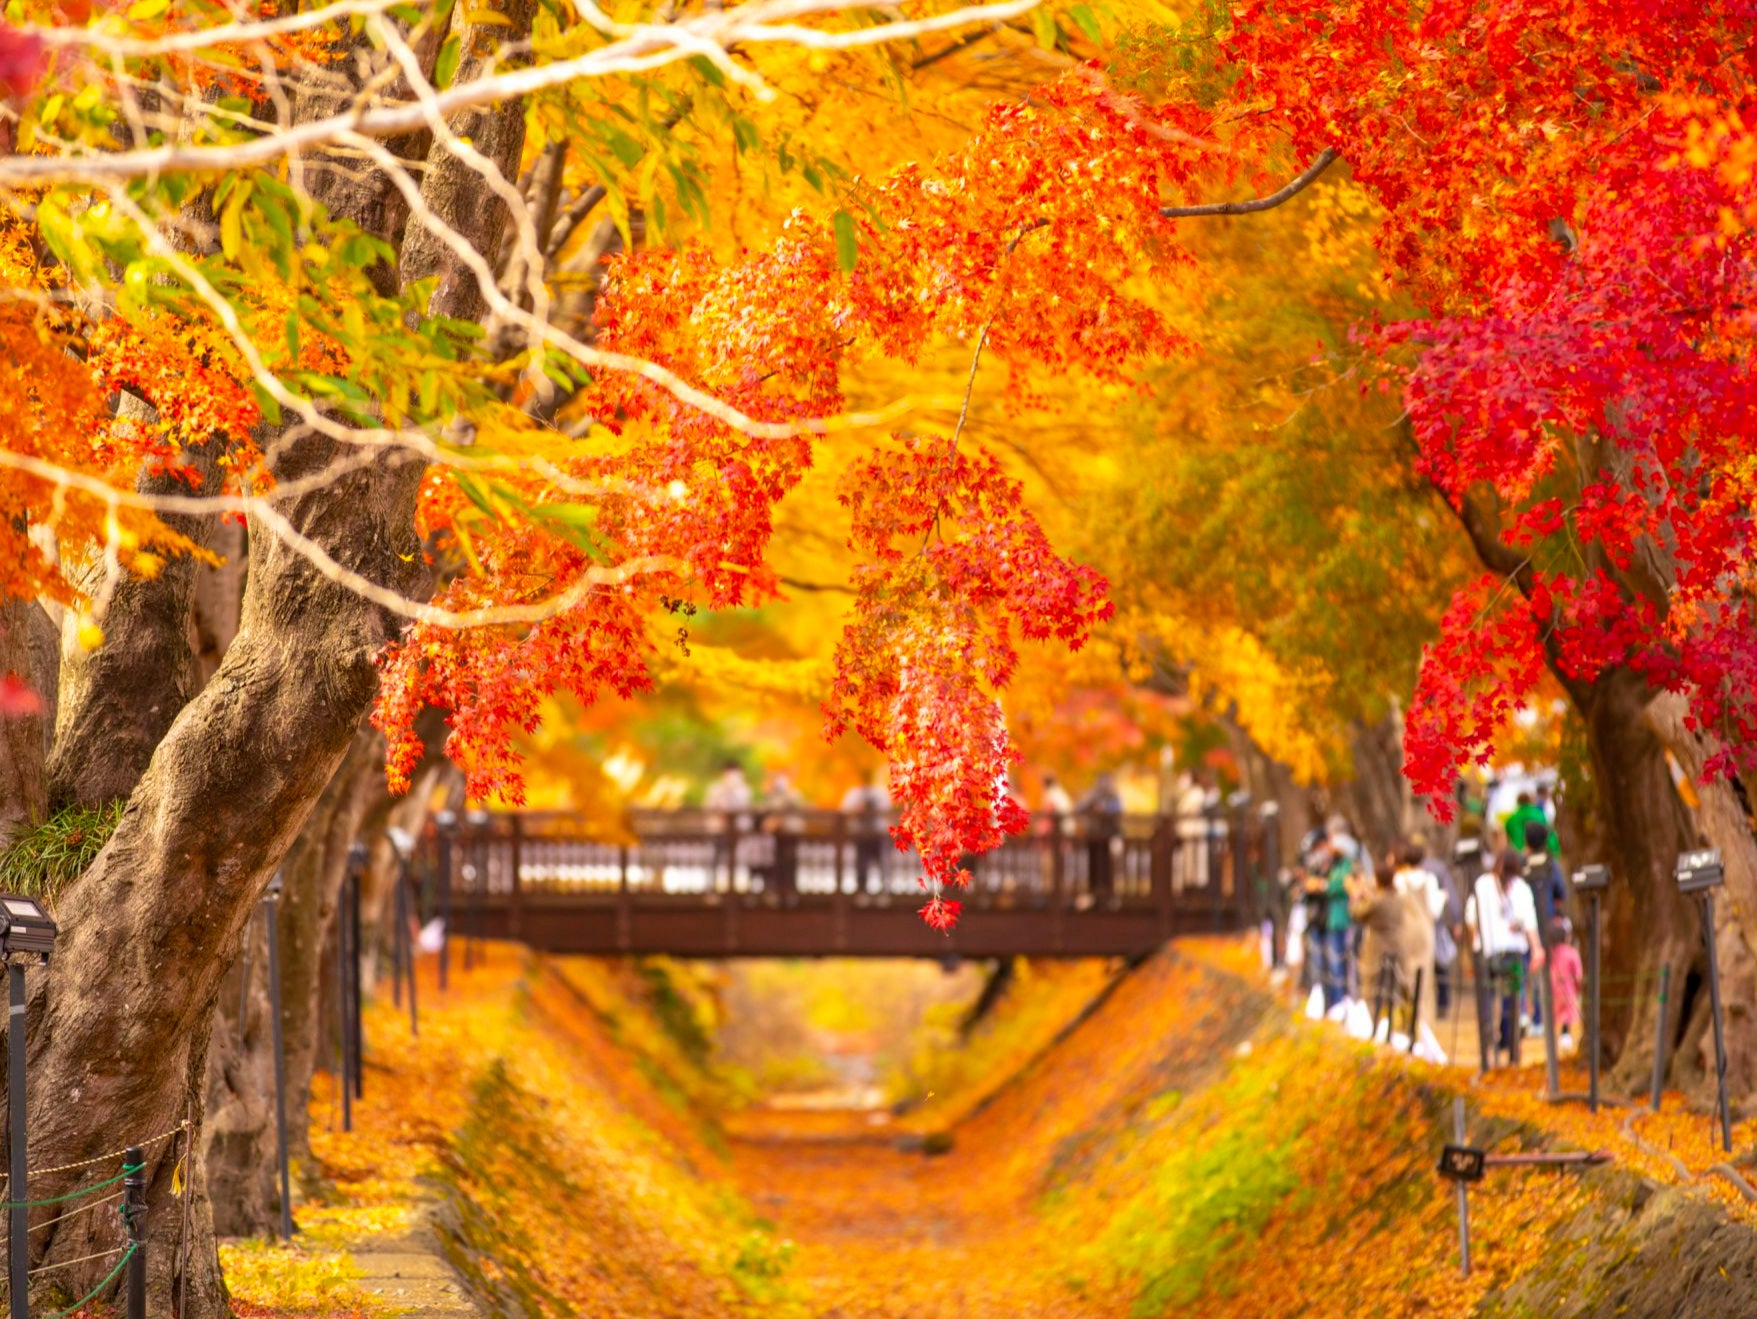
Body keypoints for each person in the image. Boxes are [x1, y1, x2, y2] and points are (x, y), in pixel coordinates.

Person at [1466, 849, 1539, 1061]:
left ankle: (1491, 1037)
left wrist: (1476, 943)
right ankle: (1508, 1040)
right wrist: (1536, 949)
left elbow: (1471, 919)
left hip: (1487, 951)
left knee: (1489, 998)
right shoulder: (1520, 888)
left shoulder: (1482, 884)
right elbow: (1529, 923)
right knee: (1511, 998)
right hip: (1512, 952)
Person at [1350, 860, 1417, 1029]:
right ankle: (1400, 1028)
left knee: (1374, 993)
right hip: (1398, 948)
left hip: (1377, 951)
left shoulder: (1378, 902)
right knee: (1397, 992)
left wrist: (1355, 896)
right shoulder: (1398, 898)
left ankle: (1376, 1026)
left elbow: (1357, 913)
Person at [1390, 840, 1442, 1030]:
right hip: (1424, 931)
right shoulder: (1429, 880)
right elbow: (1434, 910)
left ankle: (1405, 1024)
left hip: (1403, 930)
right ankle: (1424, 1023)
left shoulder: (1398, 880)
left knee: (1404, 976)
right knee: (1425, 977)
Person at [703, 760, 753, 890]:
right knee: (716, 859)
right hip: (718, 830)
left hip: (737, 831)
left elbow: (745, 810)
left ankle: (736, 889)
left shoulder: (744, 790)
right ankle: (712, 889)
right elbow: (709, 807)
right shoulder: (715, 789)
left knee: (737, 861)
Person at [1076, 772, 1124, 903]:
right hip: (1094, 838)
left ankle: (1107, 896)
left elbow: (1118, 810)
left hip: (1108, 837)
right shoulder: (1092, 795)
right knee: (1094, 867)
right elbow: (1079, 808)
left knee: (1108, 867)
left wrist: (1104, 808)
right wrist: (1092, 806)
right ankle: (1095, 895)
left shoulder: (1113, 797)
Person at [841, 771, 891, 894]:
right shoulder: (854, 794)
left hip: (877, 834)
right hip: (861, 834)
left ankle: (884, 890)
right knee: (861, 864)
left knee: (882, 863)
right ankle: (861, 890)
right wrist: (857, 808)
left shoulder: (879, 793)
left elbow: (887, 809)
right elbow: (845, 810)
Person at [1547, 918, 1584, 1049]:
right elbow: (1578, 974)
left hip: (1551, 989)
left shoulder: (1549, 954)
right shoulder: (1571, 953)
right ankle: (1565, 1034)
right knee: (1567, 1014)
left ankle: (1552, 1040)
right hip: (1568, 989)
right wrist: (1579, 987)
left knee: (1553, 1014)